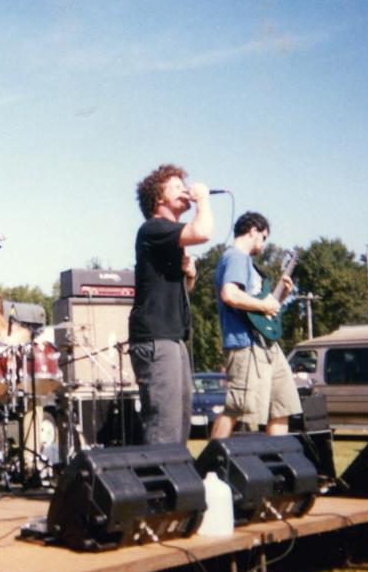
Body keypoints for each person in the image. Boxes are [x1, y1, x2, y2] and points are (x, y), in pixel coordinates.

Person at [128, 164, 213, 445]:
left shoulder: (171, 239)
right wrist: (203, 200)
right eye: (176, 186)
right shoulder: (153, 228)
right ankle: (159, 484)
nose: (185, 191)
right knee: (164, 423)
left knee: (179, 422)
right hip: (155, 338)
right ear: (159, 198)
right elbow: (203, 232)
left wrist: (189, 277)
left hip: (172, 337)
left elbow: (177, 294)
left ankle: (175, 482)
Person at [210, 211, 302, 438]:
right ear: (253, 231)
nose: (264, 244)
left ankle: (276, 462)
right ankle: (209, 469)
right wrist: (265, 306)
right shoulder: (236, 257)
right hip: (245, 345)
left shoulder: (248, 264)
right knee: (236, 408)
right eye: (264, 237)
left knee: (282, 405)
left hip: (266, 344)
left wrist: (279, 299)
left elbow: (261, 311)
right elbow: (230, 294)